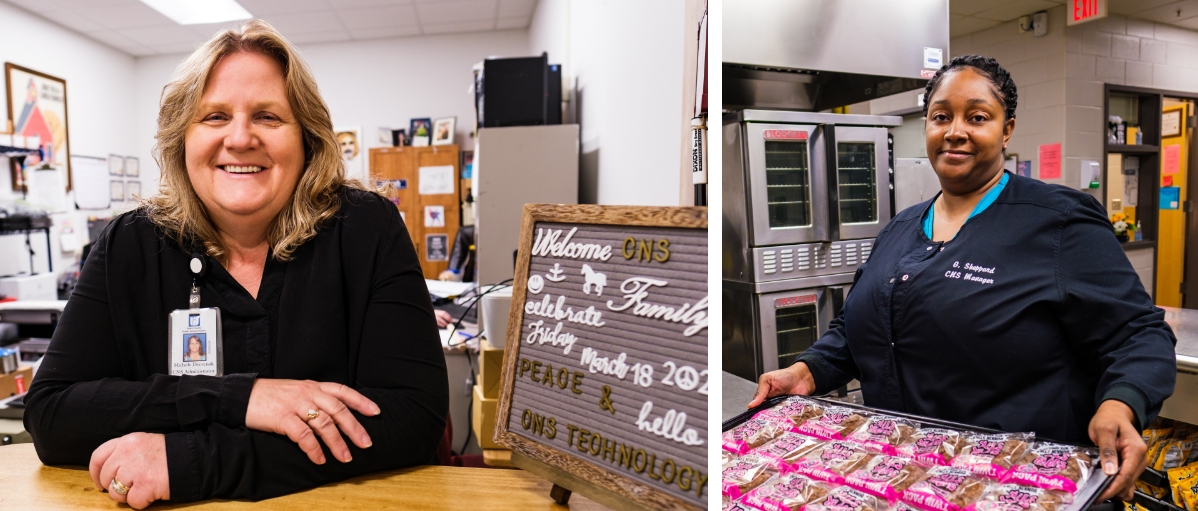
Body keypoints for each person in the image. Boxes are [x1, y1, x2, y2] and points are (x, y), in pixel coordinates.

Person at [24, 20, 448, 509]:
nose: (241, 137)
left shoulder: (365, 229)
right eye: (214, 116)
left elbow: (412, 418)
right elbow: (53, 415)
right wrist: (241, 399)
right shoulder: (130, 245)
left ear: (307, 138)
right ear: (181, 139)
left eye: (268, 116)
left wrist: (191, 462)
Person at [748, 55, 1177, 502]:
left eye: (977, 117)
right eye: (940, 117)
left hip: (1019, 486)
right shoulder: (900, 227)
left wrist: (1120, 403)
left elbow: (1137, 333)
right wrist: (807, 369)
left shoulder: (1058, 222)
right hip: (897, 478)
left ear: (1007, 129)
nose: (955, 130)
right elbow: (860, 325)